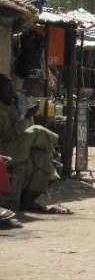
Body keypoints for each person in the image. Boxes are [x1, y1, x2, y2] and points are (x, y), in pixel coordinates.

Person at [0, 74, 69, 213]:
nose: (11, 91)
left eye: (11, 88)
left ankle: (28, 201)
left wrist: (28, 116)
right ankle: (54, 145)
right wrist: (25, 117)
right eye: (7, 88)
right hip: (5, 150)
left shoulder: (14, 106)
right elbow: (7, 136)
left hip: (21, 149)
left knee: (41, 158)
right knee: (36, 131)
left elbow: (24, 129)